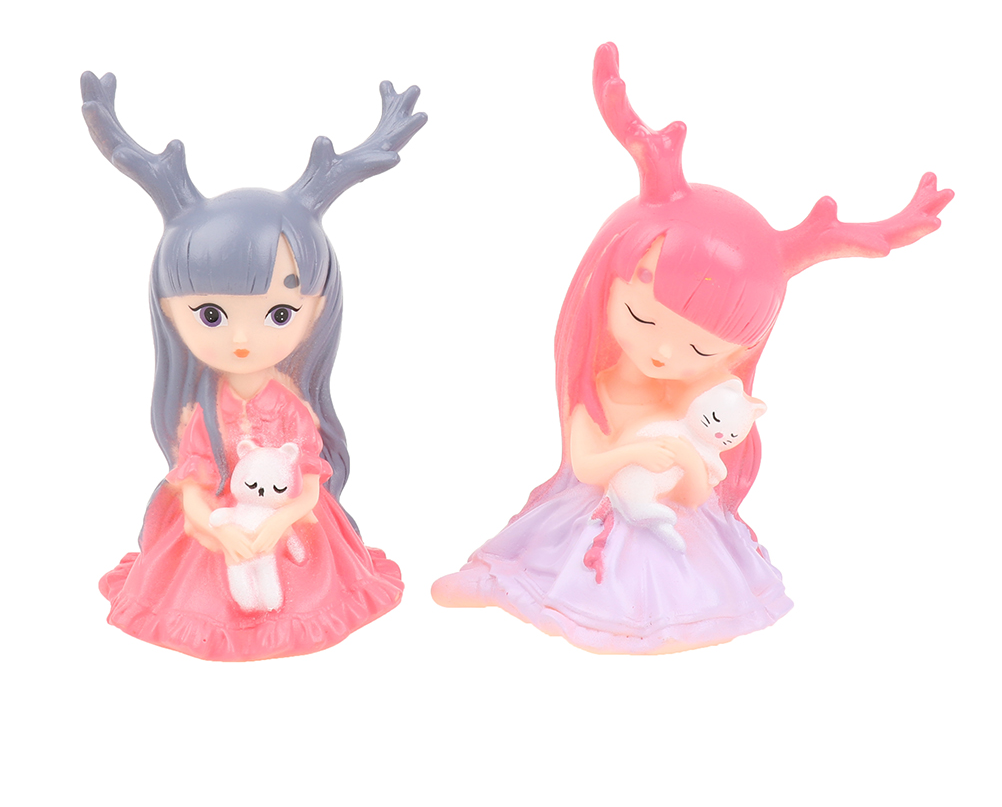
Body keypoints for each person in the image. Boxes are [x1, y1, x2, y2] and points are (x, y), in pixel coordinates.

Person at [432, 42, 951, 654]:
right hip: (593, 511)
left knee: (666, 563)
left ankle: (656, 618)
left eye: (701, 350)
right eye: (639, 315)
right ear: (603, 287)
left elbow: (698, 492)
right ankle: (504, 581)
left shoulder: (698, 406)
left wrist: (684, 465)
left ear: (736, 355)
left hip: (668, 520)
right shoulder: (599, 389)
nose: (662, 353)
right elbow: (588, 464)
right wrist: (638, 454)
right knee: (546, 559)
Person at [82, 71, 425, 660]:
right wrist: (214, 528)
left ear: (316, 309)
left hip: (288, 534)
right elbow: (193, 490)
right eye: (212, 315)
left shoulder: (290, 409)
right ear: (170, 309)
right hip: (218, 534)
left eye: (278, 313)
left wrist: (276, 524)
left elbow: (310, 488)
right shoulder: (202, 413)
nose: (243, 338)